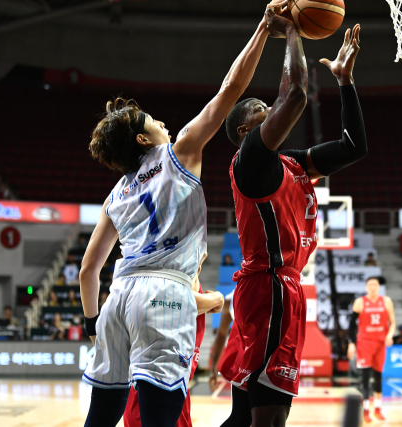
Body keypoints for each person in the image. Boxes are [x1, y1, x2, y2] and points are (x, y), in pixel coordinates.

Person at [79, 2, 281, 425]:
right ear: (142, 136)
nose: (162, 122)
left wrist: (92, 321)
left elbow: (87, 271)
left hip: (118, 296)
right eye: (152, 119)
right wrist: (263, 27)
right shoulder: (179, 152)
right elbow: (230, 89)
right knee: (161, 417)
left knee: (100, 417)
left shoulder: (116, 194)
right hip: (165, 294)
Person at [219, 13, 366, 426]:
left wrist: (345, 82)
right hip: (270, 288)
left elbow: (354, 147)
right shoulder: (249, 161)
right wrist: (292, 30)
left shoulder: (292, 163)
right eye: (264, 109)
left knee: (245, 416)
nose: (273, 109)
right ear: (248, 128)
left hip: (276, 288)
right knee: (268, 417)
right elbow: (297, 94)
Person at [123, 280, 207, 427]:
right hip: (165, 381)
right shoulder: (171, 285)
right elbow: (185, 303)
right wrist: (217, 299)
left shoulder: (135, 283)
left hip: (149, 381)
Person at [347, 277, 396, 423]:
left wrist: (390, 335)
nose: (373, 287)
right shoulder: (360, 302)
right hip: (365, 344)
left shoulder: (386, 301)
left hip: (380, 343)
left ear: (379, 286)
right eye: (370, 284)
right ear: (366, 287)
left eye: (375, 284)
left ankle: (378, 409)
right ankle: (366, 410)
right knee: (366, 378)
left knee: (378, 376)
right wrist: (351, 343)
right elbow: (351, 325)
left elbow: (392, 323)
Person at [209, 290, 235, 392]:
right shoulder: (231, 299)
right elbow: (221, 334)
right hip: (242, 367)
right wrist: (213, 367)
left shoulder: (273, 290)